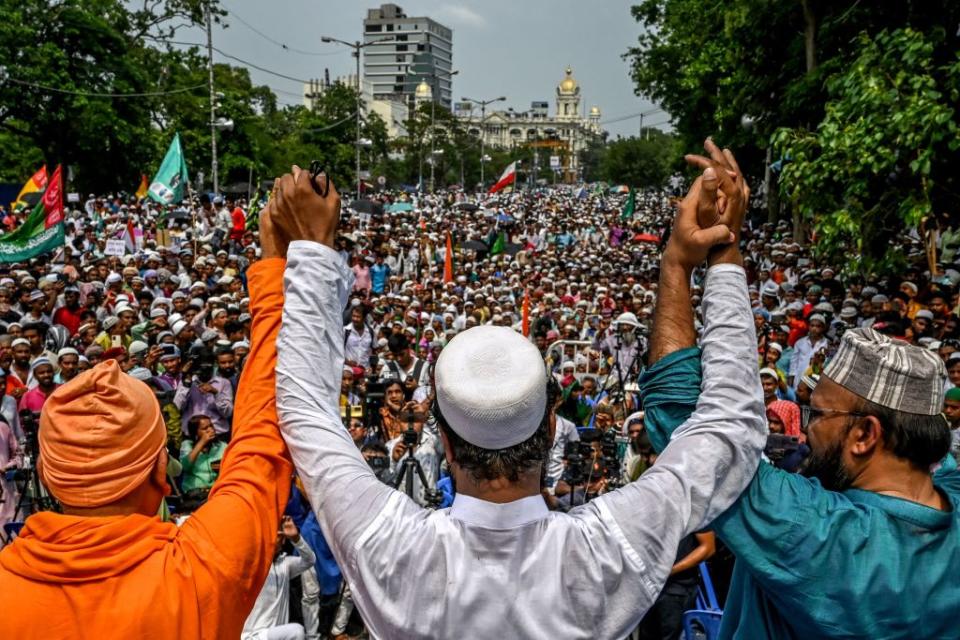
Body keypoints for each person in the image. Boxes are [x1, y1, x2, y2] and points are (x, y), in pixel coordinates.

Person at [271, 147, 765, 638]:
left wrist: (312, 250)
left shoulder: (392, 544)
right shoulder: (605, 548)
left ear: (444, 443)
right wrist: (717, 252)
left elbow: (304, 410)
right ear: (551, 430)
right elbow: (730, 432)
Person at [639, 148, 960, 639]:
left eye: (818, 411)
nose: (806, 426)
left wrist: (686, 261)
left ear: (865, 435)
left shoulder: (817, 534)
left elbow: (685, 424)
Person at [0, 205, 293, 637]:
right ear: (160, 469)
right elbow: (261, 438)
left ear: (46, 474)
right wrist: (279, 269)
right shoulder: (200, 568)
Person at [241, 516, 316, 640]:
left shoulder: (285, 564)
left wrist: (296, 538)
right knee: (297, 631)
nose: (281, 540)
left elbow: (310, 560)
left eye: (282, 537)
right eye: (277, 535)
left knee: (295, 631)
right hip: (252, 636)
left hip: (277, 635)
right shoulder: (252, 565)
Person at [180, 414, 227, 494]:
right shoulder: (187, 445)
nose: (210, 430)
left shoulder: (222, 446)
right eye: (205, 428)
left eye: (211, 426)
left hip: (216, 491)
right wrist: (202, 442)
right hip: (194, 492)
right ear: (195, 432)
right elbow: (185, 466)